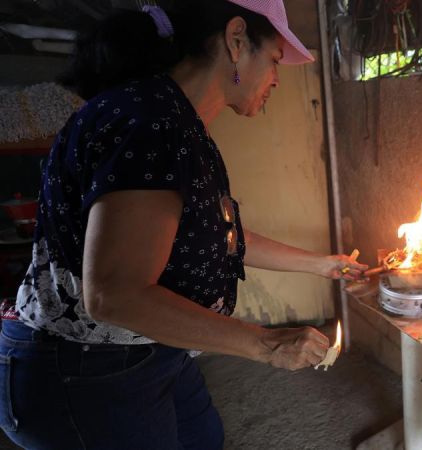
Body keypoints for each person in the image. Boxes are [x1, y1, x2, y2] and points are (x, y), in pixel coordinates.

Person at [0, 1, 367, 448]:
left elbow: (220, 236)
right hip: (86, 368)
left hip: (153, 348)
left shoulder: (176, 120)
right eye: (274, 60)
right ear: (236, 39)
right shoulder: (151, 123)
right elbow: (115, 295)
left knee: (203, 438)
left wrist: (322, 265)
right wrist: (267, 344)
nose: (276, 78)